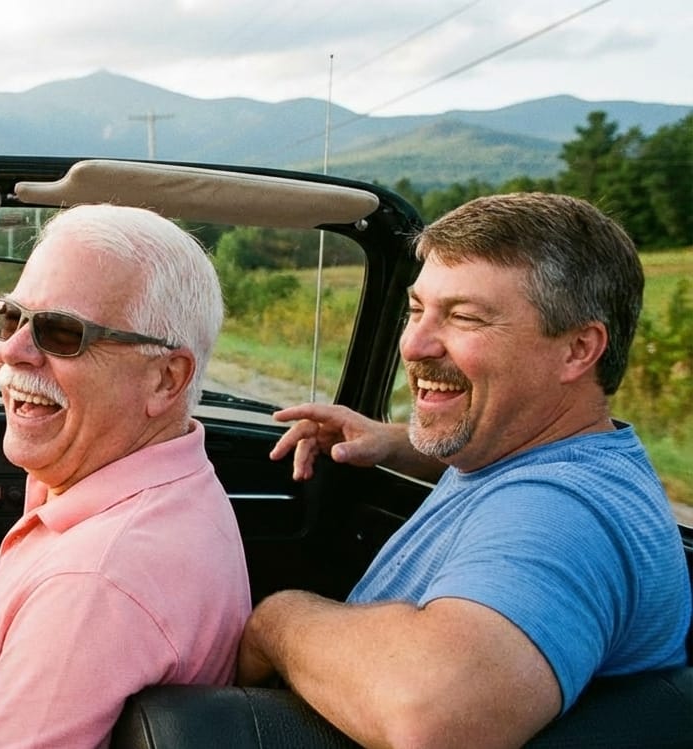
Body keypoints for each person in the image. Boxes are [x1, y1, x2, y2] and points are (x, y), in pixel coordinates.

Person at [239, 192, 691, 748]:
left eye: (465, 317)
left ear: (578, 350)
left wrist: (276, 621)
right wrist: (396, 442)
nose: (415, 343)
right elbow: (503, 469)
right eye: (415, 309)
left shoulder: (561, 514)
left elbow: (436, 717)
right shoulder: (533, 447)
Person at [0, 204, 251, 748]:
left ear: (166, 379)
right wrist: (0, 651)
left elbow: (88, 611)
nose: (10, 350)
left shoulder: (93, 585)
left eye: (60, 332)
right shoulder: (173, 485)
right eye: (9, 316)